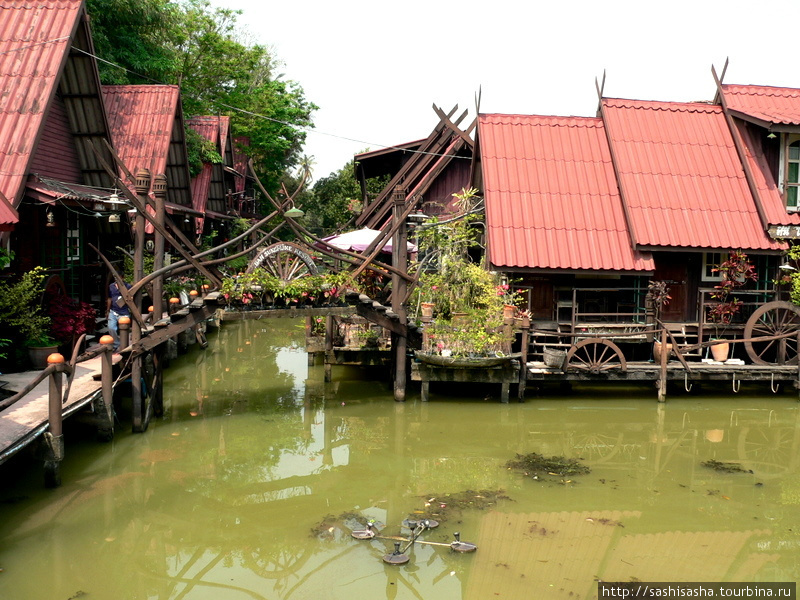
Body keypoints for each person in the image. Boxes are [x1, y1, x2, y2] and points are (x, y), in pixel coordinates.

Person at [106, 280, 132, 351]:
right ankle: (116, 344)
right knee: (111, 327)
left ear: (122, 278)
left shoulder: (128, 286)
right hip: (113, 311)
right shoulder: (111, 286)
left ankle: (124, 346)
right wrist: (108, 310)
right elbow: (109, 298)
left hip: (124, 312)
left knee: (124, 329)